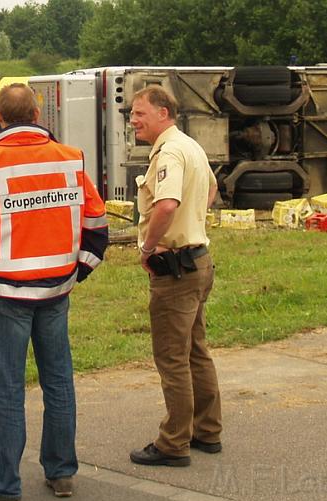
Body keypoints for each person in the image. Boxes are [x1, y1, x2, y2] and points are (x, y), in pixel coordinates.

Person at [0, 83, 109, 501]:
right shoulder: (70, 159)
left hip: (6, 294)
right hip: (57, 289)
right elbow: (98, 228)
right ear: (39, 115)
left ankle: (2, 486)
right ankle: (61, 473)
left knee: (6, 392)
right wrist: (78, 273)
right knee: (59, 383)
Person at [128, 85, 222, 467]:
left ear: (163, 113)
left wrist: (148, 247)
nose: (133, 120)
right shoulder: (190, 145)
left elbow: (166, 204)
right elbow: (212, 188)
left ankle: (173, 442)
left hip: (176, 271)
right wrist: (193, 222)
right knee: (196, 351)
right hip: (198, 261)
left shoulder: (169, 152)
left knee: (172, 357)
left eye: (139, 113)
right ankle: (207, 430)